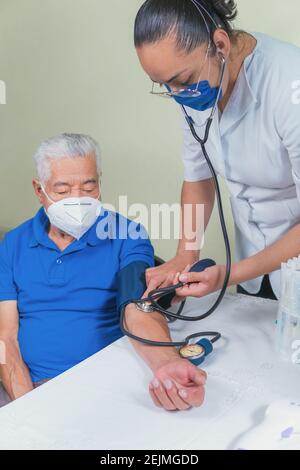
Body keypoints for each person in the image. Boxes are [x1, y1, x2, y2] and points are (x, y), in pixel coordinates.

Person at [0, 133, 206, 412]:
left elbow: (138, 308)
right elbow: (5, 337)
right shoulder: (13, 244)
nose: (77, 199)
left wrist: (167, 362)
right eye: (62, 190)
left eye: (88, 187)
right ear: (40, 190)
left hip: (105, 385)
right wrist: (27, 408)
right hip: (30, 387)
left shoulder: (128, 235)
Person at [134, 0, 300, 303]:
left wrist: (228, 275)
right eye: (164, 85)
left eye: (182, 81)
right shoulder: (198, 86)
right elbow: (199, 177)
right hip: (255, 265)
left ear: (220, 44)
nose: (177, 94)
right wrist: (186, 253)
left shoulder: (289, 86)